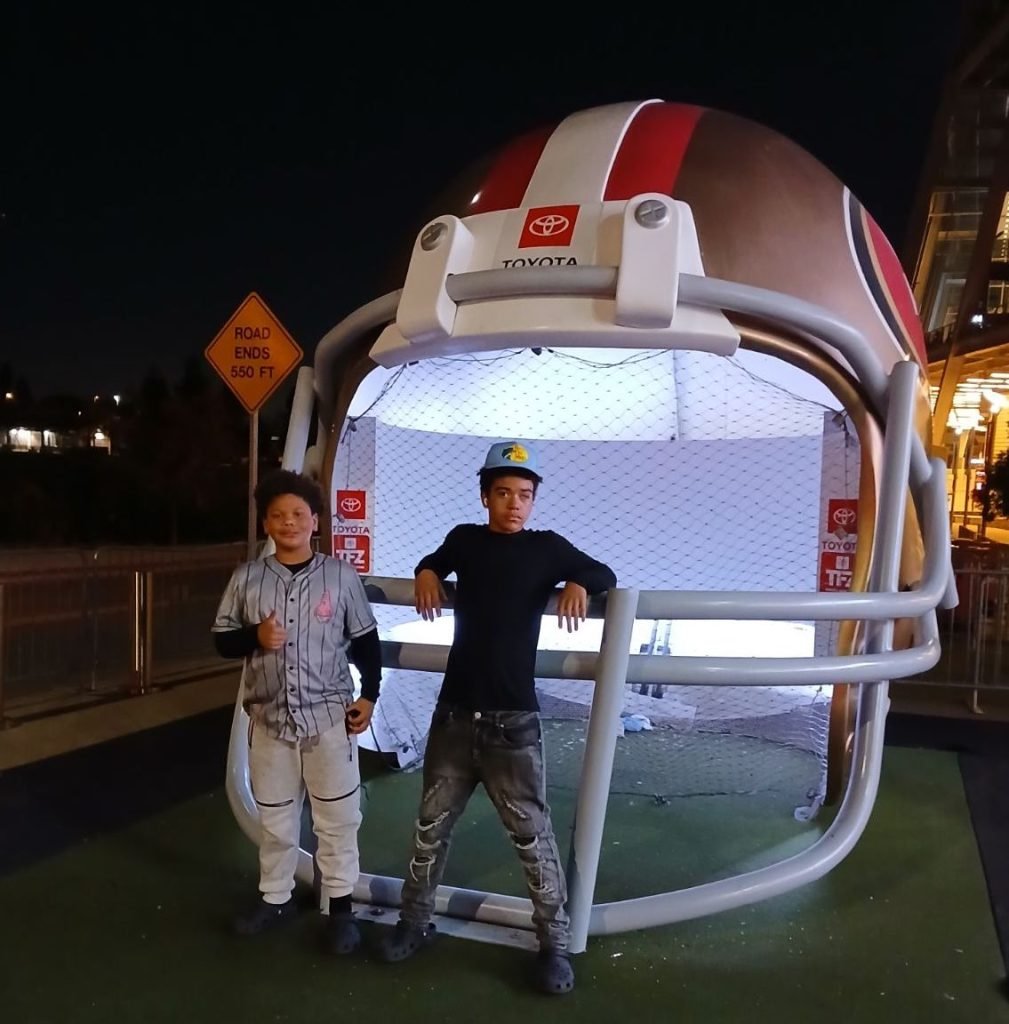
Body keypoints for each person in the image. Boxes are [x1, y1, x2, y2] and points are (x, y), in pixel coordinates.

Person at [377, 441, 617, 995]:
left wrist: (580, 581)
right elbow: (437, 559)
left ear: (534, 502)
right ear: (485, 495)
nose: (514, 504)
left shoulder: (547, 548)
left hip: (514, 722)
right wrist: (425, 570)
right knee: (429, 830)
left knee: (534, 837)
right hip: (454, 716)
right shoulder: (465, 539)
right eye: (504, 492)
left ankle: (553, 946)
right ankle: (414, 922)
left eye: (525, 495)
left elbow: (602, 571)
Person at [212, 468, 382, 955]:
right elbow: (222, 641)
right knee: (277, 817)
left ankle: (341, 908)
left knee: (338, 817)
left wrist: (368, 695)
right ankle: (275, 897)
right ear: (266, 521)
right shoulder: (247, 578)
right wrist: (254, 637)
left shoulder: (340, 575)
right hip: (268, 720)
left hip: (330, 717)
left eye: (298, 514)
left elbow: (368, 641)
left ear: (315, 521)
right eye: (278, 514)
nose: (289, 523)